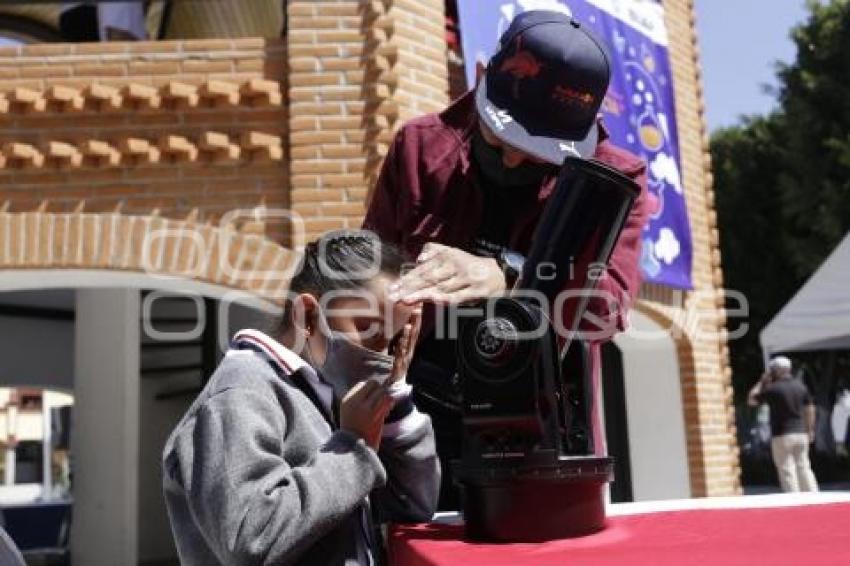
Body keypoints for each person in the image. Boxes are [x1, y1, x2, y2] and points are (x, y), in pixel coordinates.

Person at [363, 10, 650, 508]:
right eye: (504, 135)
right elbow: (369, 278)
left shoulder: (615, 179)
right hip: (416, 414)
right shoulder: (420, 147)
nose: (515, 158)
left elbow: (607, 311)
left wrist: (509, 275)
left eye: (538, 148)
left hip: (544, 425)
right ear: (479, 76)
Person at [162, 231, 440, 565]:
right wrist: (353, 447)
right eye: (368, 328)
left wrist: (393, 399)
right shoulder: (239, 392)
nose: (380, 354)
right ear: (308, 315)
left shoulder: (326, 392)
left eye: (392, 341)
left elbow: (413, 505)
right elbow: (251, 538)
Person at [748, 356, 818, 492]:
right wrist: (810, 430)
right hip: (801, 433)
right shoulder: (800, 386)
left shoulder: (773, 389)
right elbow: (810, 408)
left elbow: (751, 400)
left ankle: (794, 500)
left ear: (776, 371)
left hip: (782, 434)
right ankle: (813, 496)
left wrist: (761, 382)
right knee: (804, 466)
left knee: (787, 469)